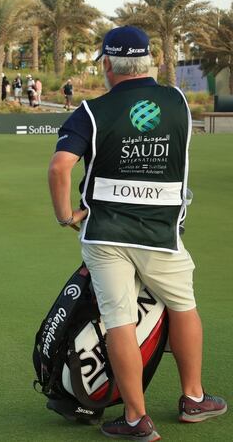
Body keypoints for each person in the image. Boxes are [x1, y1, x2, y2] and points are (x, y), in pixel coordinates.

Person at [48, 25, 227, 441]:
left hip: (105, 233)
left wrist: (65, 216)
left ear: (108, 65)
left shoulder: (91, 111)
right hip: (163, 232)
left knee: (119, 320)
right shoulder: (178, 101)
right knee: (183, 307)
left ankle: (136, 419)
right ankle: (194, 398)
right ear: (149, 62)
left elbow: (60, 166)